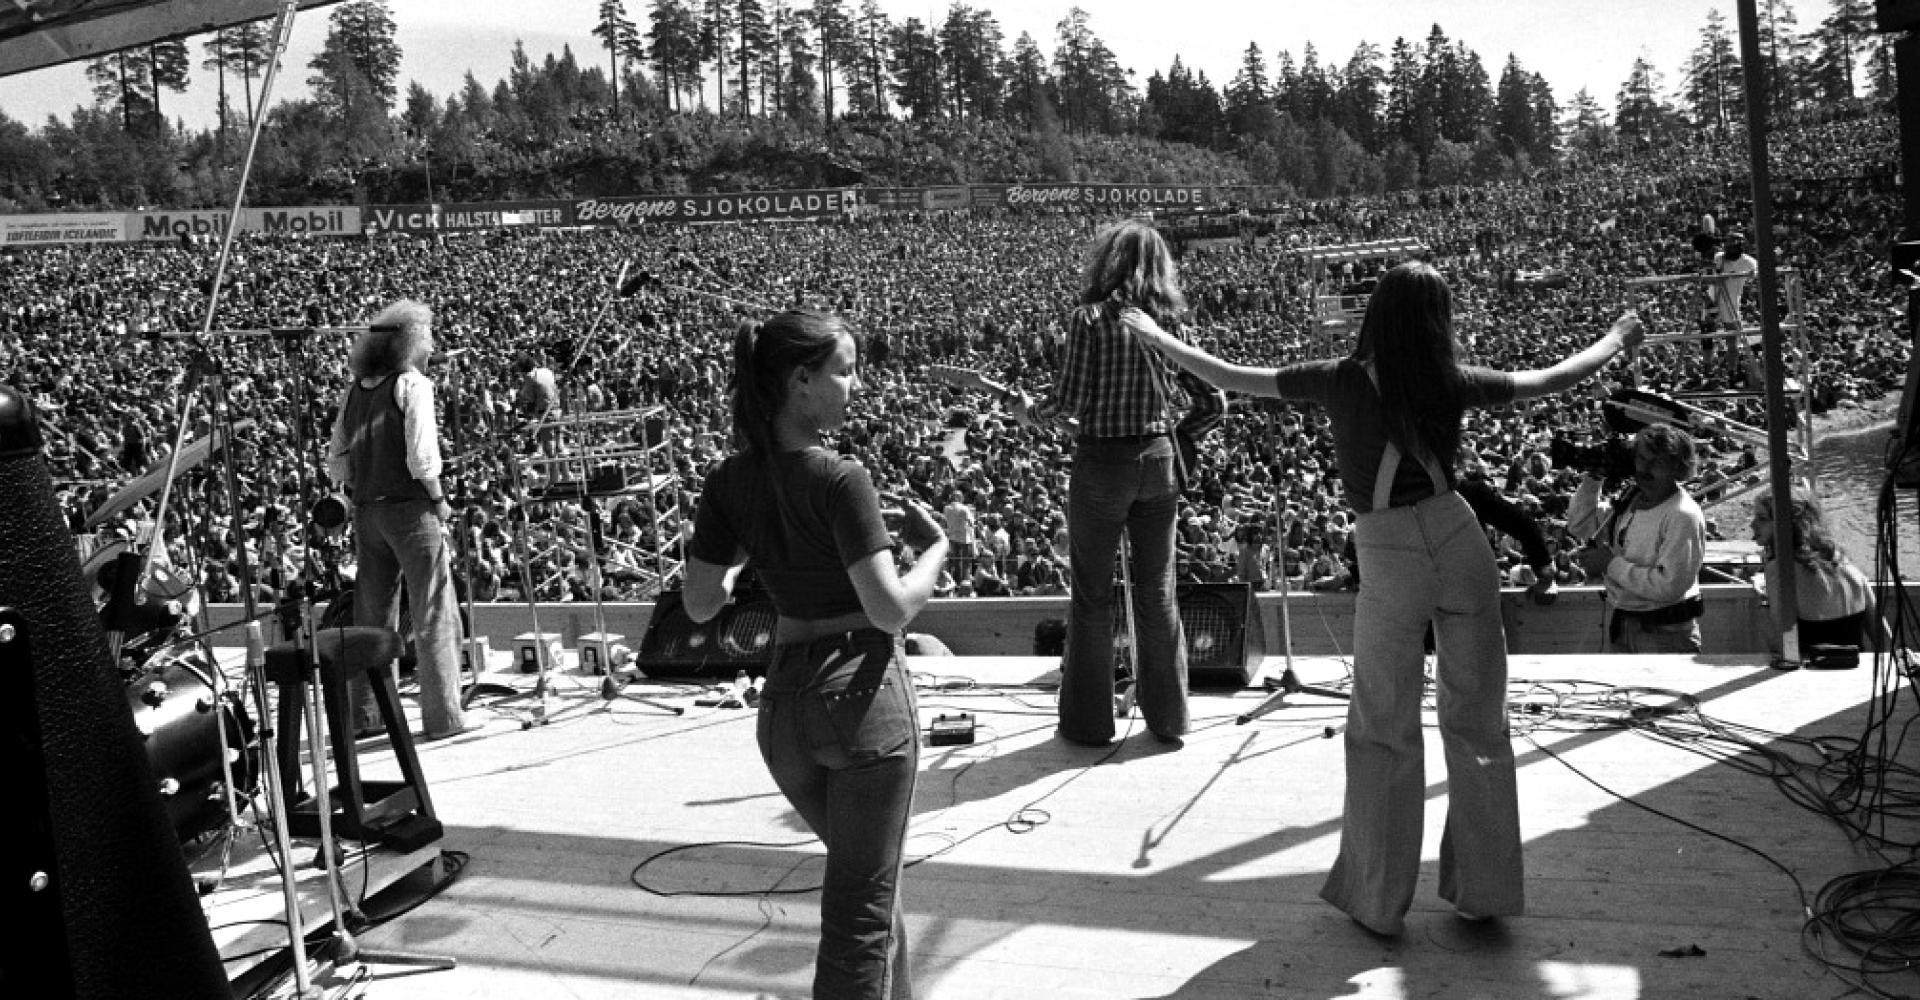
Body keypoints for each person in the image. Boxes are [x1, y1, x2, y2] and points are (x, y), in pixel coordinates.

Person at [1122, 260, 1644, 936]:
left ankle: (1379, 901)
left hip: (1389, 551)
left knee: (1383, 728)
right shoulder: (1451, 381)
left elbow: (1229, 376)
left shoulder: (1340, 379)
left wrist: (1155, 336)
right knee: (1480, 720)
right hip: (1460, 539)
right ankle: (1483, 890)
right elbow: (1553, 379)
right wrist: (1617, 334)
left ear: (1375, 315)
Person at [682, 309, 948, 1000]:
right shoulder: (841, 477)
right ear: (801, 380)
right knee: (860, 908)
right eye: (844, 370)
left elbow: (701, 603)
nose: (854, 385)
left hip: (783, 716)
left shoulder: (726, 482)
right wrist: (946, 548)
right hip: (862, 704)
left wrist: (747, 548)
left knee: (872, 885)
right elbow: (889, 607)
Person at [1013, 217, 1225, 747]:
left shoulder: (1087, 321)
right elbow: (1213, 401)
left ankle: (1088, 725)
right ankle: (1170, 720)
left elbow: (1067, 401)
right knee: (1158, 593)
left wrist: (1028, 414)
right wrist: (1181, 437)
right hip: (1157, 461)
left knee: (1091, 595)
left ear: (1105, 260)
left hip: (1102, 464)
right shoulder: (1172, 323)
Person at [326, 299, 470, 741]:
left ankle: (366, 717)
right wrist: (440, 500)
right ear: (409, 341)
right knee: (433, 612)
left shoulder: (355, 390)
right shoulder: (413, 385)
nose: (431, 346)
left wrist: (359, 489)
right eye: (427, 336)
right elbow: (423, 458)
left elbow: (337, 458)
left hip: (368, 514)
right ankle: (443, 718)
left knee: (372, 617)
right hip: (411, 510)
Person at [1567, 423, 1707, 654]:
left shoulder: (1682, 514)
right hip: (1623, 624)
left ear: (1677, 467)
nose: (1644, 469)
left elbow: (1669, 586)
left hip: (1665, 634)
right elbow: (1580, 525)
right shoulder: (1631, 499)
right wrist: (1594, 478)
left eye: (1656, 463)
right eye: (1641, 459)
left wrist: (1610, 564)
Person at [1751, 484, 1882, 667]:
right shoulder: (1847, 565)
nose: (1752, 524)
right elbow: (1884, 640)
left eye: (1762, 518)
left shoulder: (1780, 570)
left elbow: (1780, 647)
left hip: (1812, 680)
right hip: (1853, 676)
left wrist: (1764, 598)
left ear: (1788, 525)